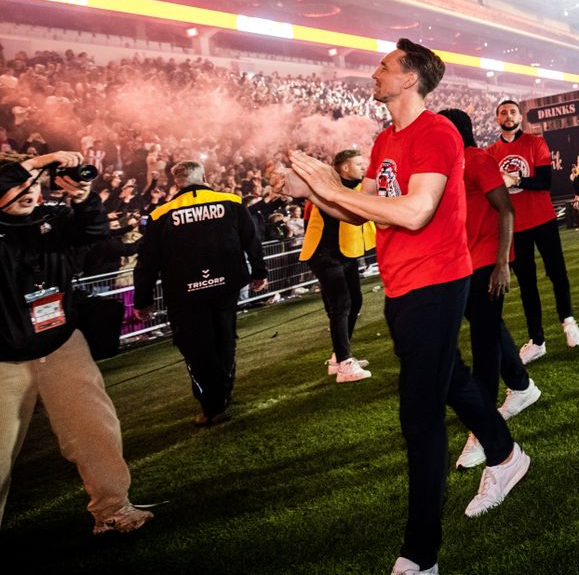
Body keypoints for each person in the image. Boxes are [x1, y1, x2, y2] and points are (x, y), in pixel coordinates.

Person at [288, 40, 529, 575]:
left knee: (419, 417)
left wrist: (335, 186)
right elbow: (357, 212)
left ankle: (421, 555)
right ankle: (508, 456)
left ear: (411, 78)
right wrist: (314, 187)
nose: (375, 73)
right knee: (455, 383)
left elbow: (416, 211)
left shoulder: (437, 132)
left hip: (438, 284)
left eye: (385, 66)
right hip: (402, 287)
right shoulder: (386, 138)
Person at [0, 151, 153, 534]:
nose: (28, 192)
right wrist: (37, 164)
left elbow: (93, 231)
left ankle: (113, 509)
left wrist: (84, 196)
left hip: (62, 344)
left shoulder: (52, 220)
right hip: (4, 358)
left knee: (94, 430)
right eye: (18, 184)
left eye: (32, 185)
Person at [438, 108, 542, 471]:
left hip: (486, 262)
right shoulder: (449, 166)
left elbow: (507, 210)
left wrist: (501, 263)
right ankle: (522, 385)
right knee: (490, 329)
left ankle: (483, 433)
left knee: (483, 343)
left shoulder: (477, 158)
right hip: (462, 263)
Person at [134, 160, 268, 426]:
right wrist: (259, 272)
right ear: (204, 177)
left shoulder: (162, 214)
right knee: (225, 338)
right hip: (226, 286)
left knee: (196, 348)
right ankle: (224, 393)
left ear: (177, 182)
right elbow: (252, 239)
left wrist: (143, 299)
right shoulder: (231, 201)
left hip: (185, 293)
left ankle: (212, 404)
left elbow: (147, 261)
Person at [488, 100, 579, 362]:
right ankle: (537, 339)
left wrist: (516, 179)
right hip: (514, 226)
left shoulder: (534, 143)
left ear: (520, 117)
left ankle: (568, 319)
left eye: (513, 111)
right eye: (503, 112)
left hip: (542, 219)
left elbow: (545, 182)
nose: (508, 116)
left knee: (557, 272)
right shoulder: (490, 152)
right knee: (527, 284)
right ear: (497, 119)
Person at [298, 148, 375, 383]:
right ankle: (344, 364)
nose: (364, 167)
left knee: (354, 301)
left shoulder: (353, 187)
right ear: (344, 168)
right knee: (341, 304)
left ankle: (339, 357)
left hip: (344, 253)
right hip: (325, 255)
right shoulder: (329, 188)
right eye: (359, 163)